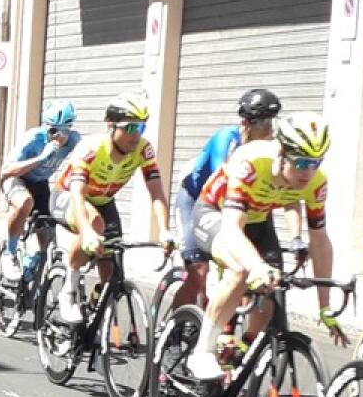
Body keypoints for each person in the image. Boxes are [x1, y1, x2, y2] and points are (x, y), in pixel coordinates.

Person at [184, 112, 340, 382]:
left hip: (257, 221)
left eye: (316, 162)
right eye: (301, 162)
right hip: (215, 213)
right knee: (241, 270)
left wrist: (324, 306)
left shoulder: (316, 181)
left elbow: (320, 241)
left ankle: (240, 351)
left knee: (272, 289)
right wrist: (256, 266)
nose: (308, 172)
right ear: (281, 152)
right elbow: (232, 228)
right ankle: (203, 350)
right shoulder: (251, 161)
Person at [51, 92, 171, 323]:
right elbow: (77, 194)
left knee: (113, 272)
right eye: (130, 128)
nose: (136, 135)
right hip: (68, 196)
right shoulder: (91, 148)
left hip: (103, 202)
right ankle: (69, 291)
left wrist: (164, 230)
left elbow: (156, 192)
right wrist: (87, 232)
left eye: (141, 127)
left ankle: (95, 315)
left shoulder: (143, 149)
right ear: (110, 125)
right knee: (95, 224)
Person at [173, 88, 281, 307]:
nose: (269, 130)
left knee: (254, 275)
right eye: (263, 124)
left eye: (272, 123)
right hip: (198, 200)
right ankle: (172, 325)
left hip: (240, 207)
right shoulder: (227, 139)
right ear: (245, 124)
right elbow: (225, 192)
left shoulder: (276, 148)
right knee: (199, 272)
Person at [0, 99, 81, 283]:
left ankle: (34, 265)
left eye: (64, 131)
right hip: (17, 178)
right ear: (46, 128)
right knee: (25, 202)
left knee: (48, 239)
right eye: (53, 131)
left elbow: (83, 163)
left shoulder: (74, 140)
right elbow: (6, 170)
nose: (59, 137)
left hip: (40, 182)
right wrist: (40, 158)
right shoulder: (34, 138)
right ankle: (9, 253)